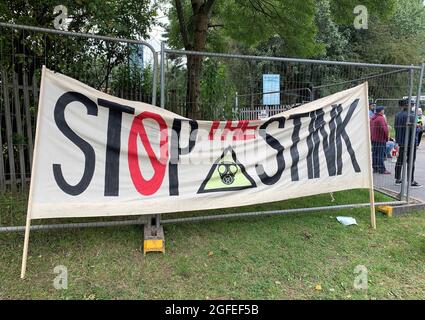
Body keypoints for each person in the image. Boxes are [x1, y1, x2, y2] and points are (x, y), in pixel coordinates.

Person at [394, 99, 422, 187]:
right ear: (408, 105)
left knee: (400, 160)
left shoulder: (398, 115)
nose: (413, 106)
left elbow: (396, 127)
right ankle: (411, 180)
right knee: (411, 161)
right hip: (410, 142)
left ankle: (398, 178)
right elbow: (414, 130)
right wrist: (419, 128)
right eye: (412, 104)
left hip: (401, 141)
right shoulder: (412, 115)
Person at [370, 106, 390, 174]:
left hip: (374, 138)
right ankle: (382, 169)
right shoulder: (381, 118)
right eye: (383, 110)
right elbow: (384, 129)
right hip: (380, 139)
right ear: (381, 111)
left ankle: (375, 168)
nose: (384, 111)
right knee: (380, 154)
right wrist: (387, 137)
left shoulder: (373, 118)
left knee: (375, 154)